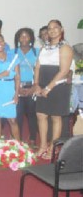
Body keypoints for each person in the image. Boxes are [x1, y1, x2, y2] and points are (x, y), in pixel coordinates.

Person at [33, 20, 73, 160]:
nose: (52, 30)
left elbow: (63, 71)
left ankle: (52, 148)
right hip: (42, 84)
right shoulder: (45, 47)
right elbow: (37, 67)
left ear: (61, 29)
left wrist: (49, 87)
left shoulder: (65, 47)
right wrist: (37, 84)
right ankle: (43, 145)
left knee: (55, 117)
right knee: (41, 115)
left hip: (58, 86)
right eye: (49, 28)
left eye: (55, 28)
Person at [12, 28, 39, 146]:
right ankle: (19, 139)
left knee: (32, 114)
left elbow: (40, 70)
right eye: (21, 36)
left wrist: (33, 87)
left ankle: (33, 138)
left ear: (31, 38)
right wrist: (17, 89)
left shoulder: (36, 52)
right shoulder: (13, 52)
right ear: (18, 39)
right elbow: (10, 71)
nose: (24, 38)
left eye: (26, 36)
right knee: (18, 115)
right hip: (17, 87)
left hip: (31, 87)